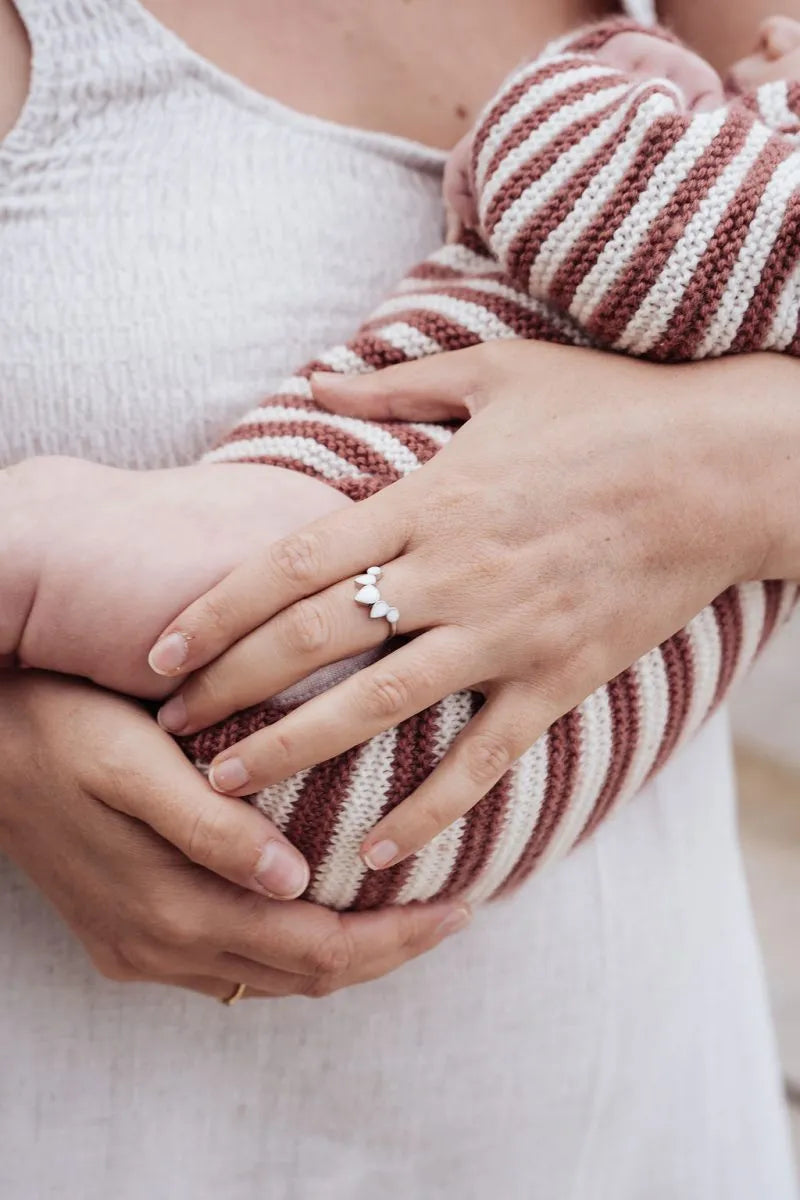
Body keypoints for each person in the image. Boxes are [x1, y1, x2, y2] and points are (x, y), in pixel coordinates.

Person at [1, 1, 798, 1196]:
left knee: (126, 546)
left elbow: (615, 207)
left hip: (622, 1120)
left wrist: (730, 472)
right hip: (111, 1123)